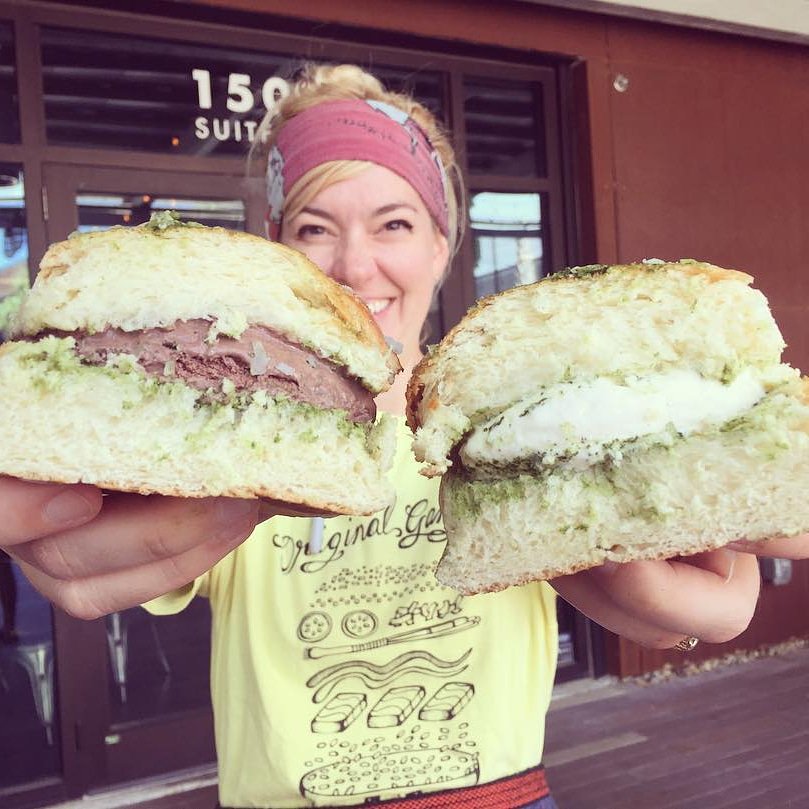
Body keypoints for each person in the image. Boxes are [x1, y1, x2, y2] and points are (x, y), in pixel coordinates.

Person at [2, 63, 808, 808]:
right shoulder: (228, 451)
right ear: (277, 249)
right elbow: (109, 548)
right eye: (313, 228)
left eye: (392, 222)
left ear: (440, 243)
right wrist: (56, 512)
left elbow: (693, 584)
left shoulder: (486, 428)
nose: (355, 266)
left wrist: (680, 570)